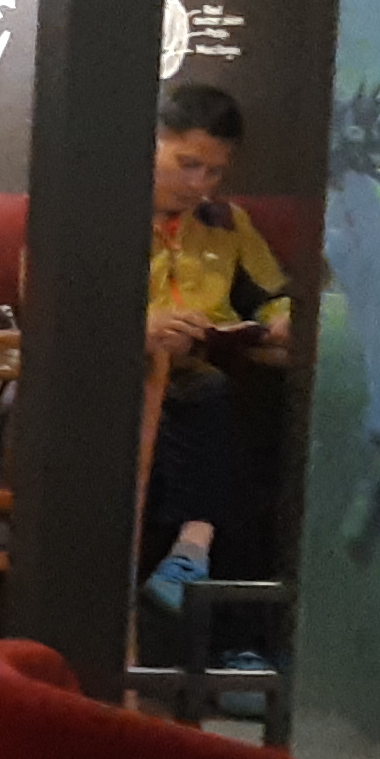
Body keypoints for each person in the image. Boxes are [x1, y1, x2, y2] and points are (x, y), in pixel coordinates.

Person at [143, 80, 290, 613]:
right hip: (132, 377)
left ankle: (198, 566)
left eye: (214, 172)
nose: (199, 184)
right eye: (187, 164)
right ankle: (197, 555)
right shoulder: (95, 216)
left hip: (209, 374)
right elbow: (54, 305)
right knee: (206, 397)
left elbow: (270, 295)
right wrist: (140, 328)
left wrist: (284, 320)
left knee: (270, 409)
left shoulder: (225, 222)